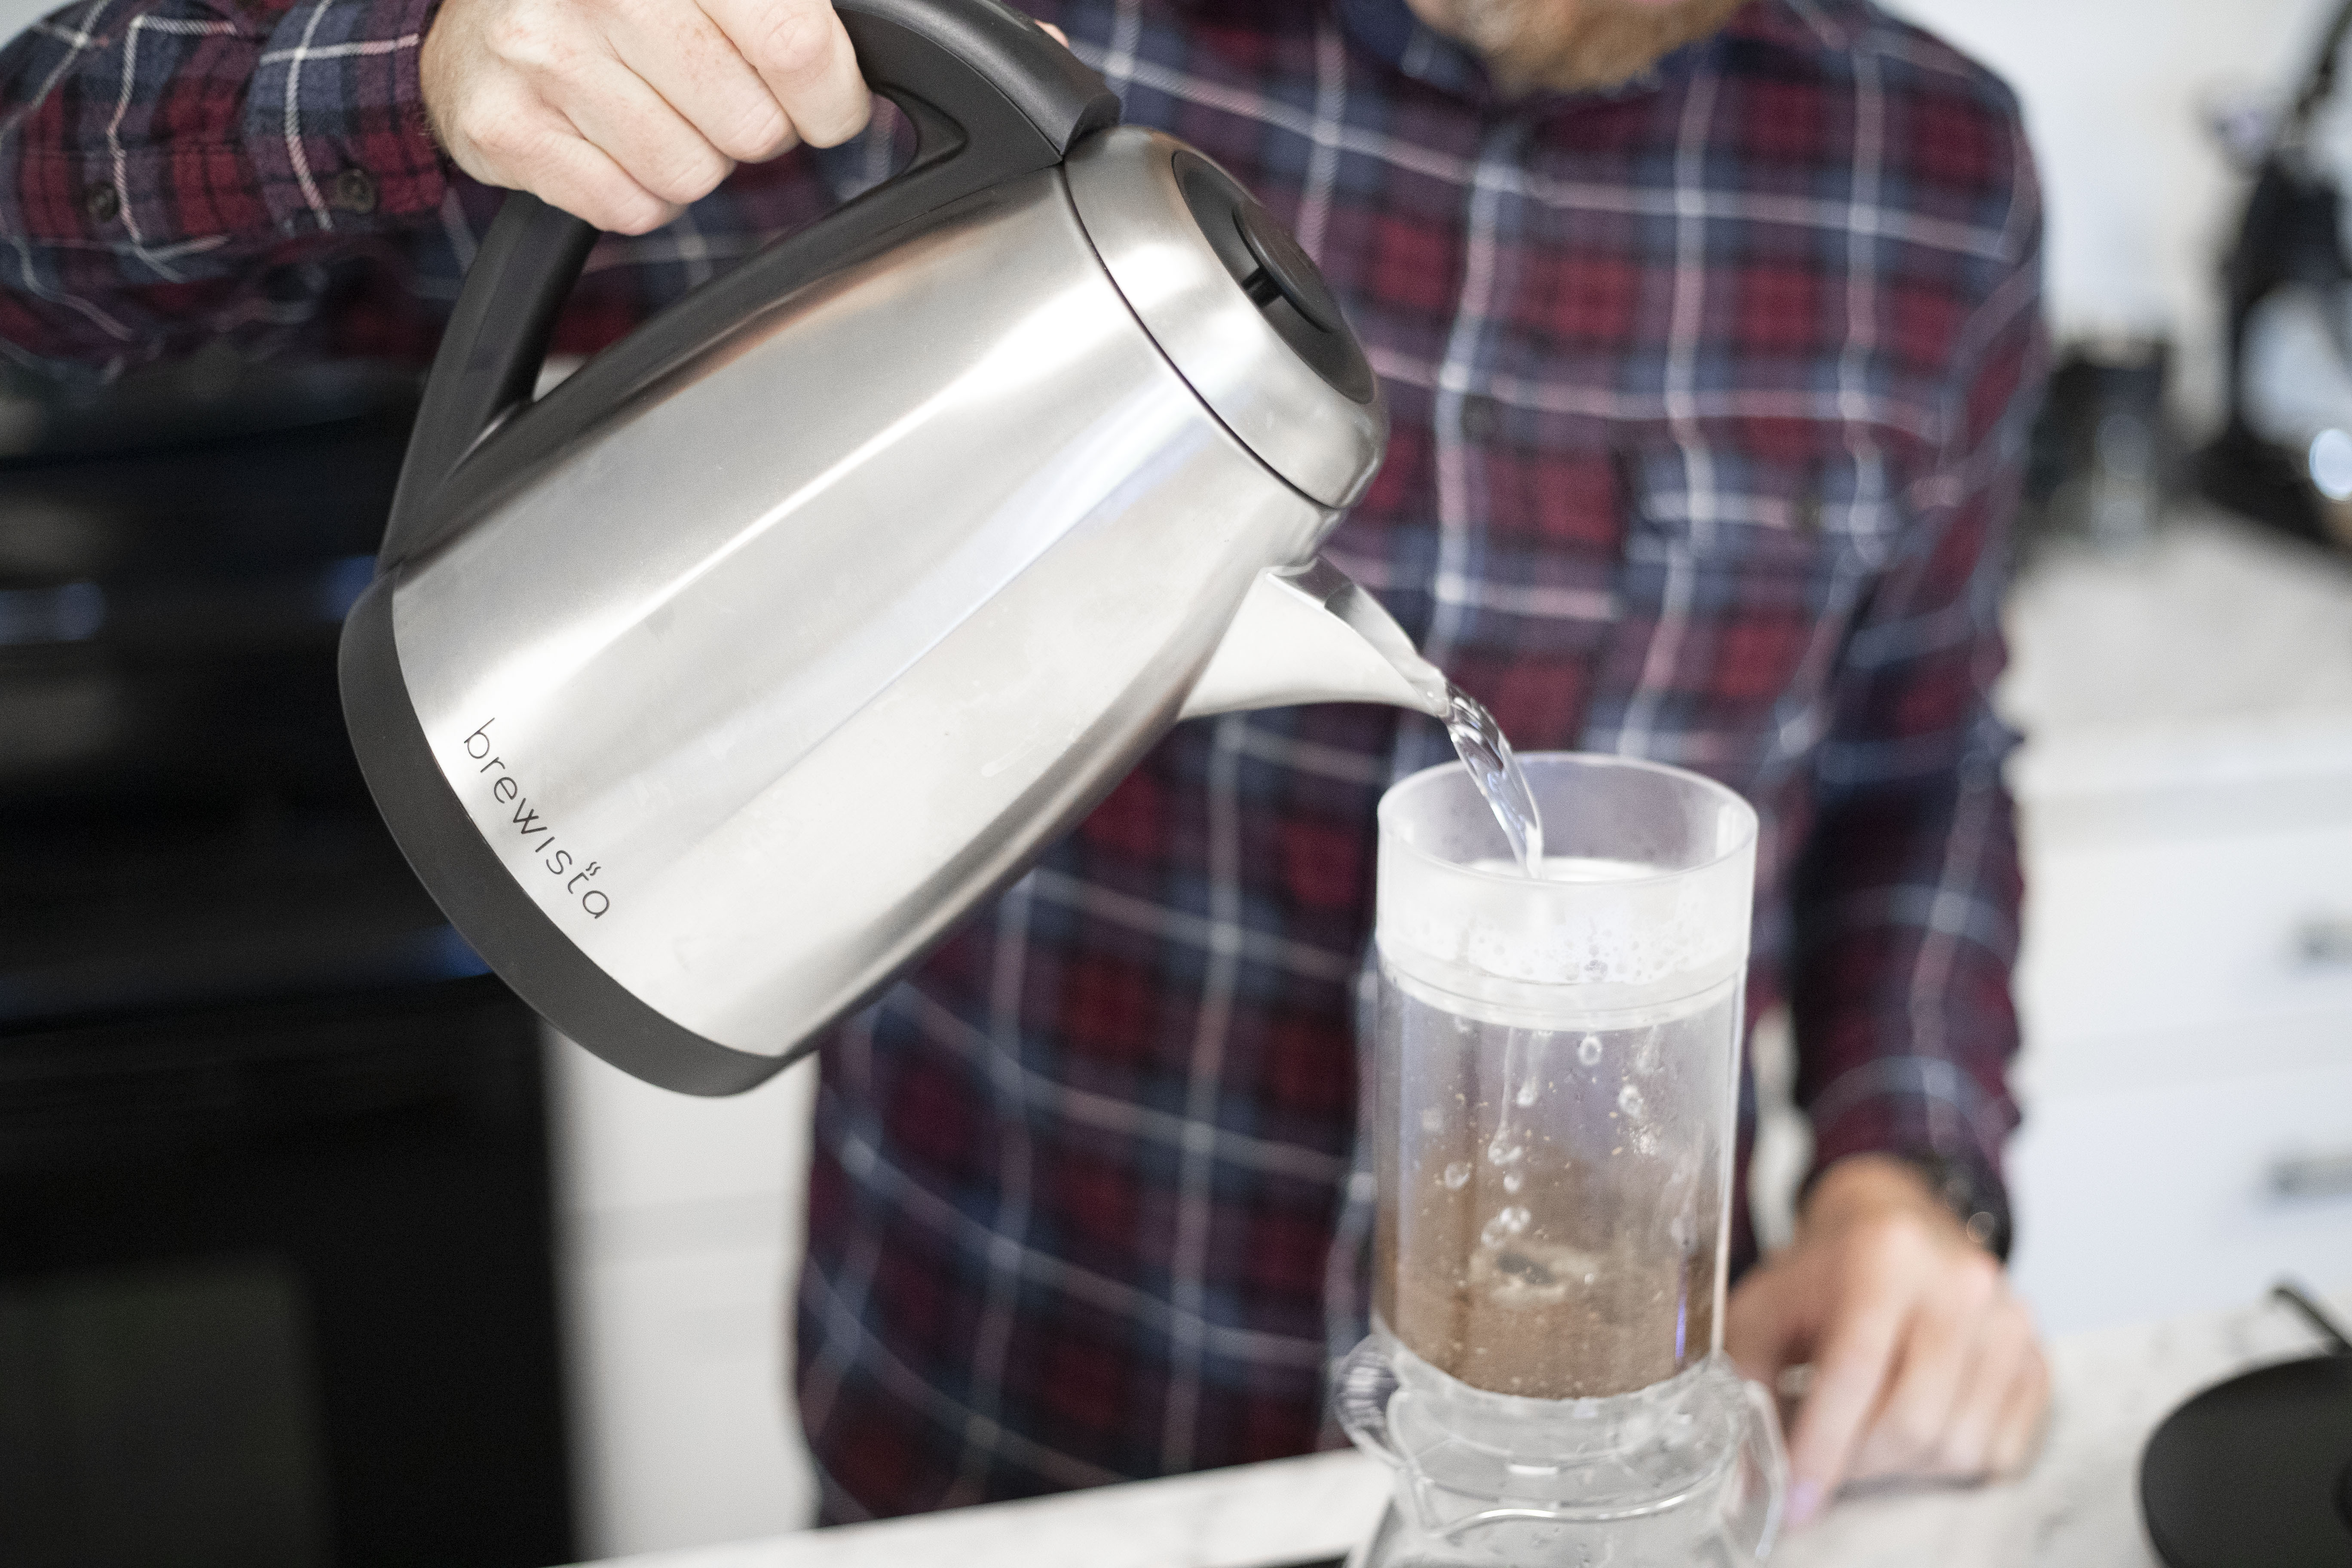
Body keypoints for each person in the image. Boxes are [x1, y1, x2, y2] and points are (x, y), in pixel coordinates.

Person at [0, 0, 2050, 1531]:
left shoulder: (1923, 177)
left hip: (1568, 1512)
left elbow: (1917, 748)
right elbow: (39, 228)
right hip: (1000, 1470)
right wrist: (433, 55)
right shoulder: (985, 36)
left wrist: (1908, 1172)